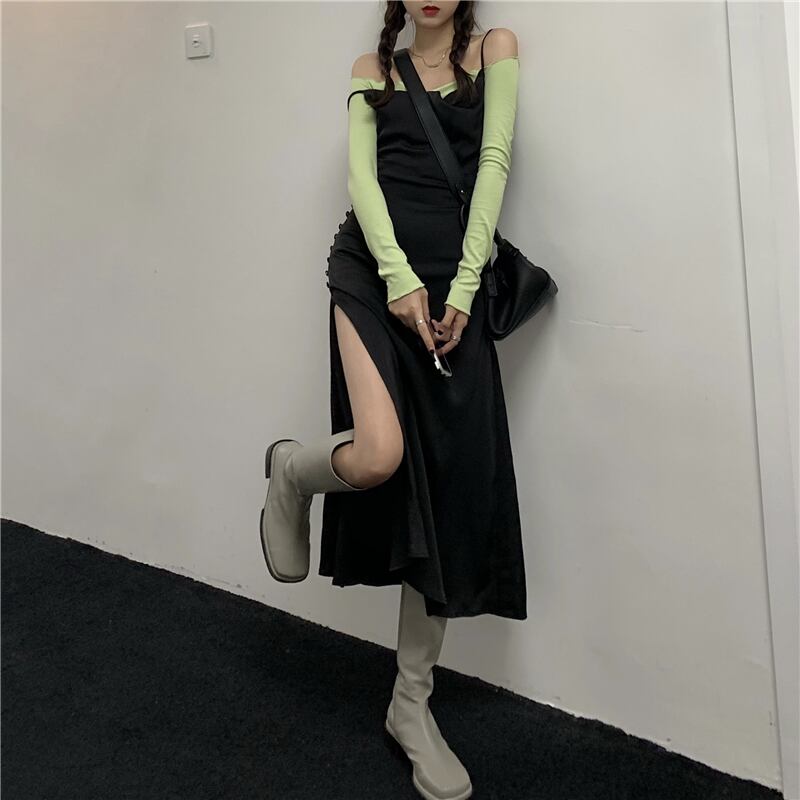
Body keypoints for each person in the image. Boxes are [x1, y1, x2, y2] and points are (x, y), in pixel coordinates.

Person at [260, 3, 522, 798]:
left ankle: (410, 704)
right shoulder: (370, 71)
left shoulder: (496, 51)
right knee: (378, 455)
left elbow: (494, 166)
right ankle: (294, 472)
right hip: (370, 278)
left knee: (442, 499)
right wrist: (399, 278)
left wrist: (463, 289)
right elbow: (361, 181)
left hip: (454, 299)